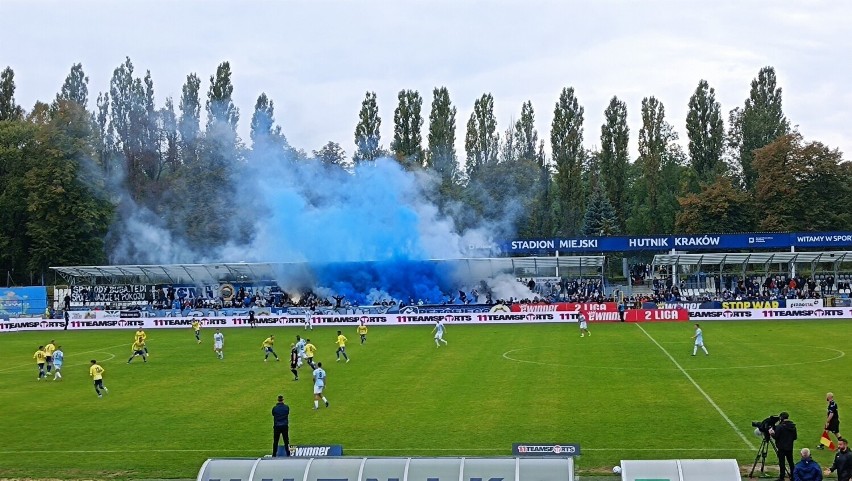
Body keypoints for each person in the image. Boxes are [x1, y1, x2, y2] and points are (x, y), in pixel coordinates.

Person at [770, 412, 798, 481]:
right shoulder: (793, 426)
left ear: (781, 418)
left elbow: (776, 436)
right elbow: (795, 437)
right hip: (789, 447)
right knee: (791, 462)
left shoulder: (780, 427)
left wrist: (772, 434)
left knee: (782, 463)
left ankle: (782, 477)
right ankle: (793, 477)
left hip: (781, 448)